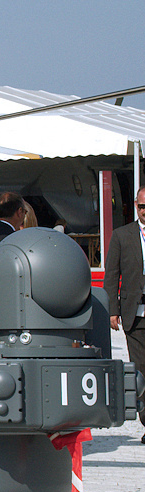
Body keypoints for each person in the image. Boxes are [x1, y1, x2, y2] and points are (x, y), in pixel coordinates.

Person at [103, 187, 145, 444]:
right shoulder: (122, 236)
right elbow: (111, 275)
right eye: (142, 207)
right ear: (136, 206)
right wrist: (112, 310)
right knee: (140, 371)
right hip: (134, 315)